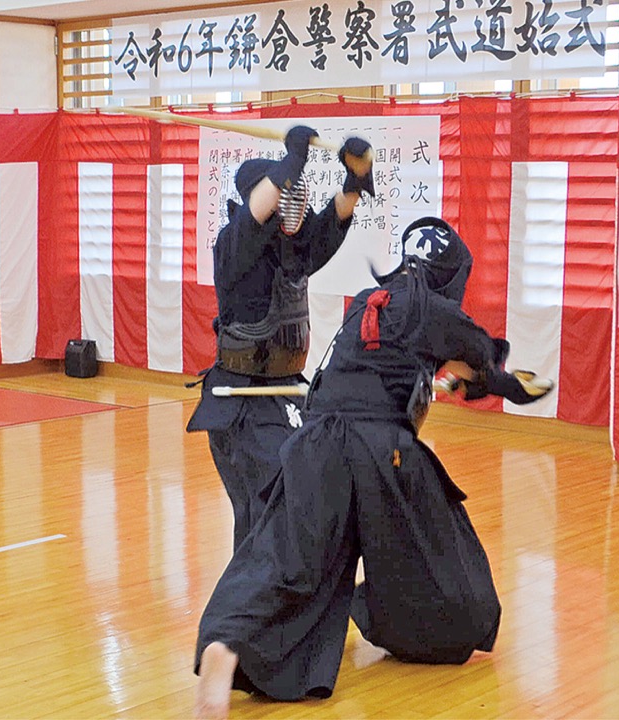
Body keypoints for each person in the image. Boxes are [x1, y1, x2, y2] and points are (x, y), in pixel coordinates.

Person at [192, 216, 552, 719]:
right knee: (441, 561)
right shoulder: (438, 309)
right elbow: (480, 367)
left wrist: (452, 379)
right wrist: (511, 386)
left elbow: (435, 369)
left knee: (284, 558)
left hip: (314, 442)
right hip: (383, 452)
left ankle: (225, 644)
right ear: (449, 275)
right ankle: (385, 606)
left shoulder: (369, 301)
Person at [185, 125, 374, 551]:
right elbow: (256, 215)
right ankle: (250, 605)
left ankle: (285, 595)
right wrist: (293, 158)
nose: (292, 201)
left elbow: (333, 220)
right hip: (241, 403)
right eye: (283, 191)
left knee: (303, 496)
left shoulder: (294, 252)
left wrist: (355, 176)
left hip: (286, 394)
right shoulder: (234, 247)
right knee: (266, 512)